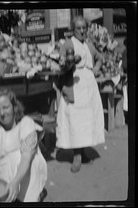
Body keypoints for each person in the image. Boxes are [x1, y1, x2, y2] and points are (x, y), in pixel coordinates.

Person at [56, 16, 105, 173]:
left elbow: (100, 58)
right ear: (73, 29)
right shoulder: (68, 44)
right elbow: (61, 65)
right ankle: (76, 155)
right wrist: (69, 64)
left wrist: (96, 67)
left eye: (84, 28)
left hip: (89, 85)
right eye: (79, 28)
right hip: (74, 85)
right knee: (75, 119)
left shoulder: (89, 45)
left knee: (86, 120)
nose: (82, 31)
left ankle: (83, 151)